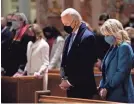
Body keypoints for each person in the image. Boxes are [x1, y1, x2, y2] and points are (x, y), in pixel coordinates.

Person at [59, 8, 97, 99]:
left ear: (75, 22)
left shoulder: (87, 37)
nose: (65, 26)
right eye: (63, 24)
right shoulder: (69, 37)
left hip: (83, 88)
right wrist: (64, 77)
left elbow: (86, 65)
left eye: (67, 24)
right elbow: (65, 59)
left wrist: (70, 82)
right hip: (71, 88)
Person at [98, 19, 134, 103]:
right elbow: (105, 71)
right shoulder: (112, 47)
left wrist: (107, 87)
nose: (106, 37)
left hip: (121, 94)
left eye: (108, 34)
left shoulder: (124, 47)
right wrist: (102, 86)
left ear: (115, 32)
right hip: (111, 92)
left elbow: (121, 72)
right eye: (105, 35)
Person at [13, 24, 49, 90]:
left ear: (36, 33)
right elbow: (28, 61)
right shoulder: (29, 44)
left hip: (39, 77)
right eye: (28, 33)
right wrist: (23, 73)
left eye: (30, 33)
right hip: (29, 76)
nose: (29, 35)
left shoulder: (44, 45)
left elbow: (45, 63)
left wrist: (39, 72)